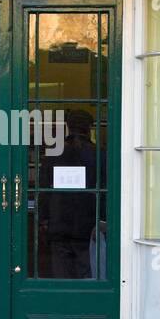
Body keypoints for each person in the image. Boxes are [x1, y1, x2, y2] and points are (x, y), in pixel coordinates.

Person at [38, 109, 105, 279]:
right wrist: (103, 218)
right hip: (87, 221)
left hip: (58, 219)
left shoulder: (54, 153)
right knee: (86, 271)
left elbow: (44, 189)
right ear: (89, 128)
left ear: (68, 126)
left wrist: (43, 218)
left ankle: (63, 297)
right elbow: (104, 189)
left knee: (61, 272)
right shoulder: (99, 153)